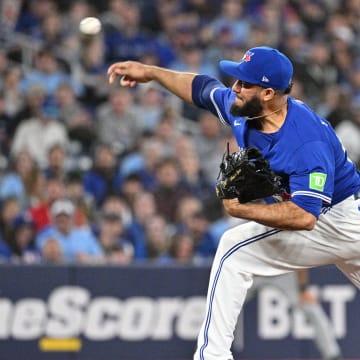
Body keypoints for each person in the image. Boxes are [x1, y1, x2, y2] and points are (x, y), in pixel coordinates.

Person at [107, 45, 360, 360]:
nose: (235, 88)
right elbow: (201, 89)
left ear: (268, 92)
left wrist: (241, 209)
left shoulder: (306, 142)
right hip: (328, 219)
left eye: (244, 84)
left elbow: (305, 216)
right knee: (234, 250)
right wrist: (153, 73)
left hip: (338, 218)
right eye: (237, 81)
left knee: (232, 248)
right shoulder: (246, 110)